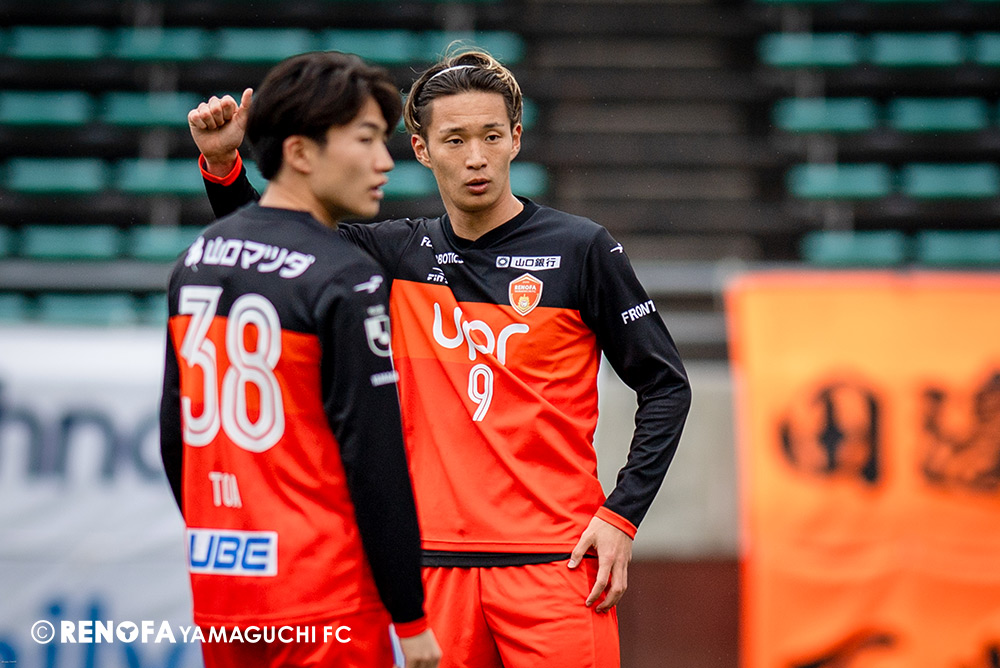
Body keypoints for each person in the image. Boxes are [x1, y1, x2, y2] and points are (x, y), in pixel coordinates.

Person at [188, 49, 691, 668]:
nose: (476, 157)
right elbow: (274, 244)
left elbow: (666, 386)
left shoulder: (581, 249)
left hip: (555, 562)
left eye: (491, 136)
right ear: (422, 149)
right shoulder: (393, 253)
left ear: (516, 138)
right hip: (433, 566)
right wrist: (224, 166)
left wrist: (622, 515)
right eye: (455, 140)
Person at [159, 51, 441, 668]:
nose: (385, 161)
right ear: (301, 153)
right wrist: (411, 616)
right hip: (326, 600)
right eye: (366, 139)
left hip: (223, 595)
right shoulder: (347, 275)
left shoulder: (197, 258)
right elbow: (375, 461)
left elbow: (175, 442)